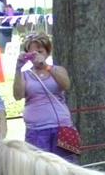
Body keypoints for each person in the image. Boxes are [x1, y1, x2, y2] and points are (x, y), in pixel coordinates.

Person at [12, 32, 76, 162]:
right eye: (32, 53)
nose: (36, 56)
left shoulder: (57, 70)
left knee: (67, 166)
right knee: (39, 169)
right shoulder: (25, 75)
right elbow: (18, 95)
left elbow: (66, 85)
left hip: (62, 127)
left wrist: (46, 66)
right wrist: (18, 69)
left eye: (40, 51)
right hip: (36, 130)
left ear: (47, 52)